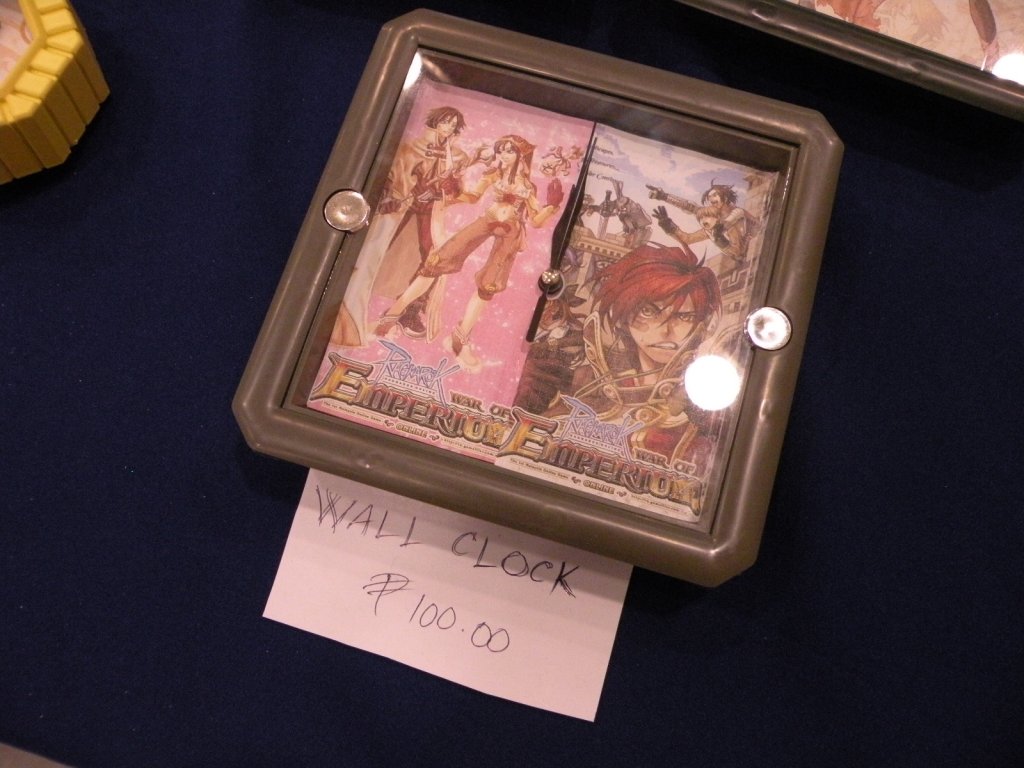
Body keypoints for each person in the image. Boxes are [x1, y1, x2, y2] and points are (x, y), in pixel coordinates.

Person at [375, 134, 564, 371]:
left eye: (509, 151)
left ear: (520, 155)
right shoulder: (494, 174)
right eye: (500, 150)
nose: (503, 155)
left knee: (490, 283)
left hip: (511, 230)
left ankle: (459, 339)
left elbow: (536, 220)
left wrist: (552, 206)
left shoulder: (527, 186)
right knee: (439, 259)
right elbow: (473, 197)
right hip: (487, 220)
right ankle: (390, 317)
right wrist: (454, 192)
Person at [562, 242, 723, 473]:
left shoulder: (705, 404)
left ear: (703, 325)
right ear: (624, 317)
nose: (665, 330)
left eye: (684, 316)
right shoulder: (587, 382)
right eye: (648, 311)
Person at [330, 106, 474, 346]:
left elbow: (458, 190)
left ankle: (409, 311)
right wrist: (395, 198)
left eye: (452, 124)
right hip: (399, 208)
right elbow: (393, 180)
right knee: (372, 253)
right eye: (444, 122)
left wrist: (445, 185)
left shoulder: (457, 157)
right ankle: (348, 305)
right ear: (435, 122)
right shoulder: (410, 148)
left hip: (430, 212)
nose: (448, 128)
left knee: (433, 259)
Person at [648, 182, 757, 267]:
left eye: (715, 195)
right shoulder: (711, 220)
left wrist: (719, 236)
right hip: (738, 257)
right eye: (709, 197)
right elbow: (688, 237)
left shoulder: (737, 213)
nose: (711, 199)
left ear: (725, 197)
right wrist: (668, 225)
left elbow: (730, 222)